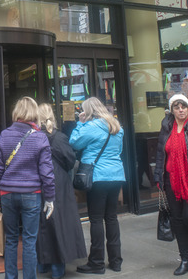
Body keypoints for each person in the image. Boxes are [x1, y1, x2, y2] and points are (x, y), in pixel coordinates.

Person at [0, 96, 55, 279]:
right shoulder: (41, 137)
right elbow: (47, 173)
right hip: (31, 194)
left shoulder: (4, 134)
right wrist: (50, 198)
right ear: (34, 113)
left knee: (10, 240)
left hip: (8, 193)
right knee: (29, 241)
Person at [70, 97, 125, 274]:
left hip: (98, 176)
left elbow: (74, 142)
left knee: (95, 219)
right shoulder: (116, 125)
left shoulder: (91, 127)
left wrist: (80, 123)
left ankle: (96, 262)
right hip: (116, 175)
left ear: (89, 111)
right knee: (111, 217)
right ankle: (116, 261)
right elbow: (119, 151)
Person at [154, 94, 188, 275]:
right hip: (171, 180)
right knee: (177, 220)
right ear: (172, 110)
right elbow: (161, 154)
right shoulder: (166, 127)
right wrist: (158, 177)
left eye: (183, 106)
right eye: (177, 107)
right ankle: (186, 259)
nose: (181, 110)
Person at [36, 103, 86, 279]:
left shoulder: (34, 137)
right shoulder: (59, 138)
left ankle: (42, 264)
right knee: (60, 223)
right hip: (59, 184)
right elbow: (70, 161)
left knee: (42, 223)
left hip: (39, 183)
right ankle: (58, 269)